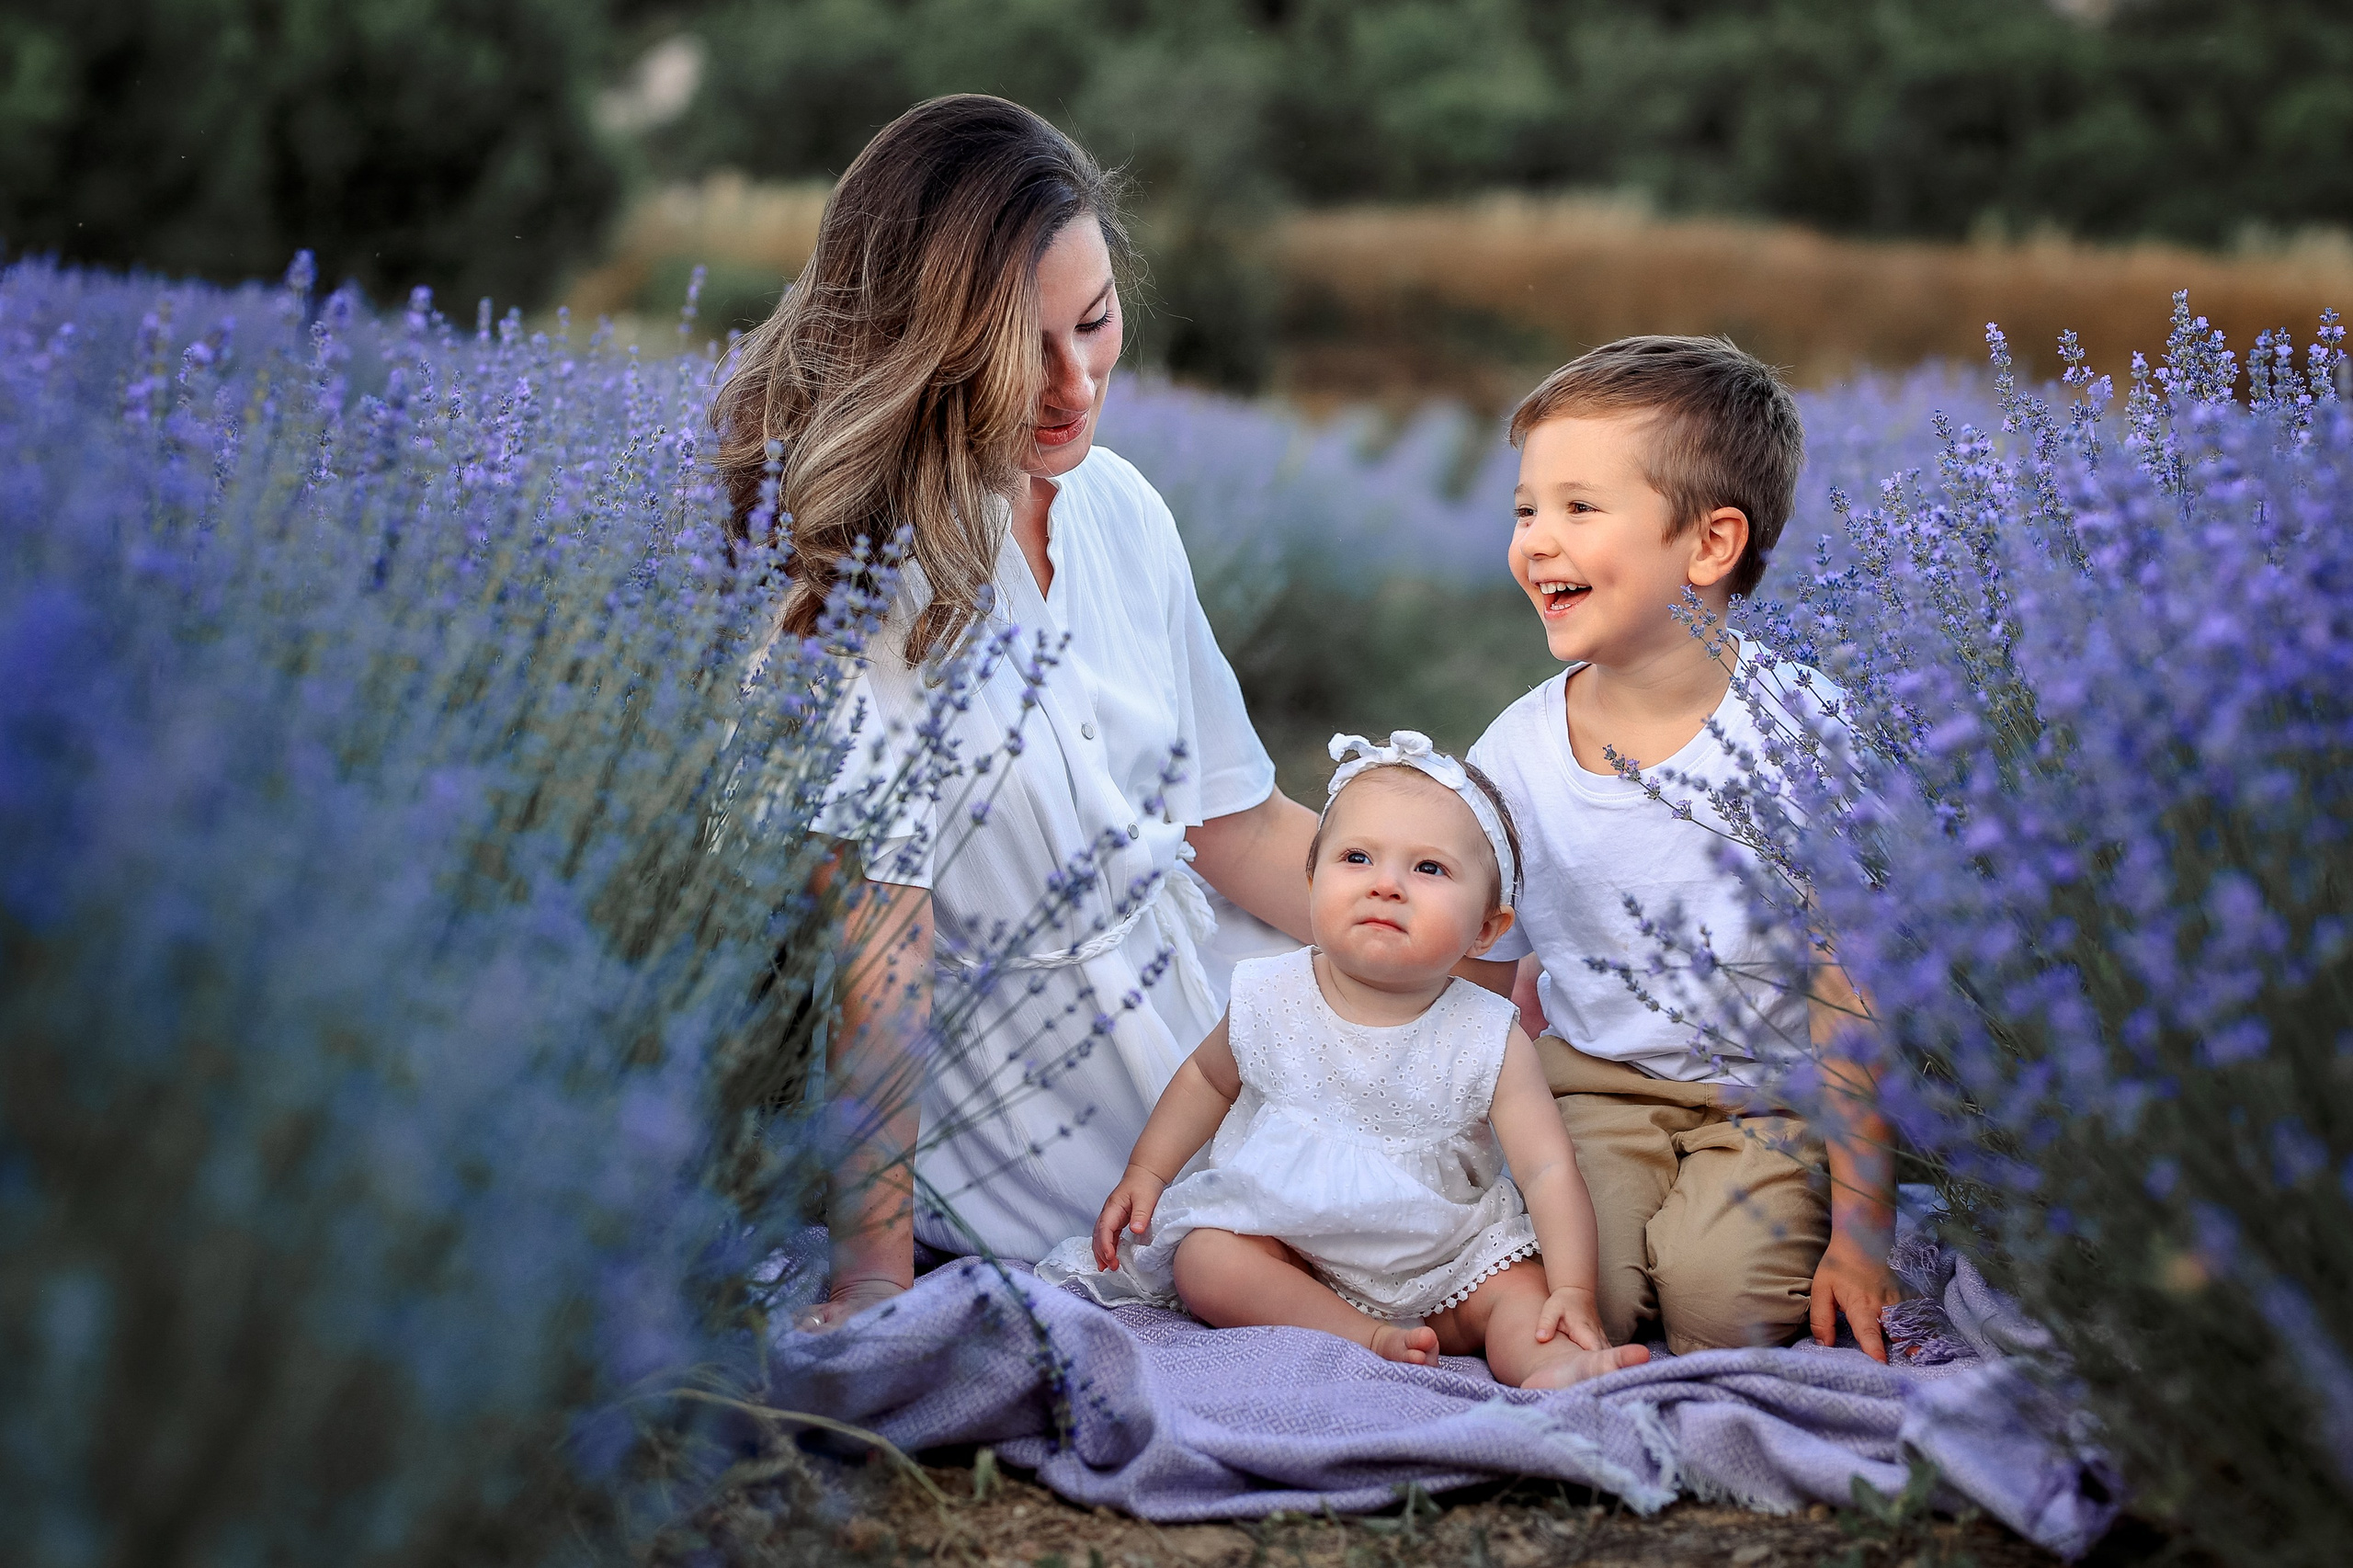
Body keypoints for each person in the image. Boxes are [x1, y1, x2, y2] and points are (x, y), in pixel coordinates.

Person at [712, 96, 1316, 1329]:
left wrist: (1487, 945)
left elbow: (1235, 828)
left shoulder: (1121, 505)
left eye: (1094, 323)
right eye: (1017, 349)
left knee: (1498, 1067)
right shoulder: (863, 586)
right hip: (1032, 1118)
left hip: (1195, 1025)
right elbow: (882, 960)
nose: (1073, 381)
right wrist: (873, 1268)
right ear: (918, 347)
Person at [1461, 335, 1905, 1361]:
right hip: (1590, 1086)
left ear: (1707, 546)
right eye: (1527, 509)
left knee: (1722, 1310)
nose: (1536, 540)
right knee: (1586, 1298)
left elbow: (1853, 986)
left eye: (1579, 507)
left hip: (1769, 1099)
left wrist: (1860, 1231)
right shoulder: (1516, 750)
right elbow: (1482, 964)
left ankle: (1727, 1232)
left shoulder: (1802, 732)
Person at [1040, 733, 1652, 1389]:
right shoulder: (1269, 993)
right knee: (1207, 1260)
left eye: (1429, 869)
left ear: (1487, 930)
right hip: (1294, 1249)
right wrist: (1147, 1172)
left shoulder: (1487, 1033)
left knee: (1522, 1294)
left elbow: (1549, 1167)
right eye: (1357, 857)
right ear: (1311, 882)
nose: (1386, 886)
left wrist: (1572, 1289)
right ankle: (1360, 1335)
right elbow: (1204, 1078)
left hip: (1447, 1261)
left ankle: (1553, 1366)